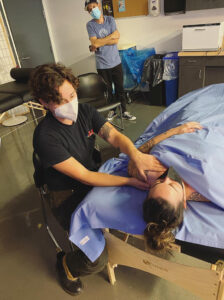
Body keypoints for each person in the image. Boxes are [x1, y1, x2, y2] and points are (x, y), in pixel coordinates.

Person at [30, 62, 163, 296]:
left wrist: (136, 155)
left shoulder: (85, 112)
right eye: (60, 101)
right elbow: (85, 176)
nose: (69, 104)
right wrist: (130, 181)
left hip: (94, 176)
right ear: (44, 103)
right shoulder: (45, 137)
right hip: (67, 194)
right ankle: (66, 266)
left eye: (71, 95)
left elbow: (115, 136)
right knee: (96, 261)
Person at [127, 122, 210, 253]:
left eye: (158, 183)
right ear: (183, 202)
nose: (166, 178)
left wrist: (175, 130)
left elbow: (135, 157)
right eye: (172, 185)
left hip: (186, 129)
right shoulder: (206, 191)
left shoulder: (147, 174)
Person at [85, 0, 136, 121]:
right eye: (90, 9)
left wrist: (99, 42)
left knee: (120, 88)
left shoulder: (110, 20)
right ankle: (112, 111)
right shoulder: (90, 25)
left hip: (115, 62)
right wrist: (109, 36)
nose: (93, 10)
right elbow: (94, 43)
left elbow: (115, 40)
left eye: (94, 6)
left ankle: (124, 111)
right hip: (102, 64)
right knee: (107, 90)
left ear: (99, 6)